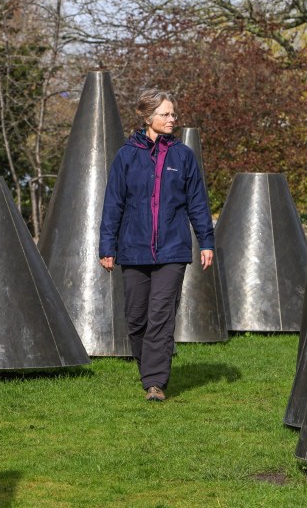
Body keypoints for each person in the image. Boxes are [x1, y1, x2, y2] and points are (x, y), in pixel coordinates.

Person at [99, 89, 215, 402]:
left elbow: (197, 203)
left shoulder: (183, 156)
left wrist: (206, 241)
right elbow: (113, 204)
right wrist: (107, 247)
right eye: (165, 114)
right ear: (148, 117)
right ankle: (149, 363)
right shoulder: (127, 155)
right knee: (136, 318)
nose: (171, 119)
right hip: (133, 249)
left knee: (161, 316)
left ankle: (154, 383)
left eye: (173, 114)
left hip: (173, 250)